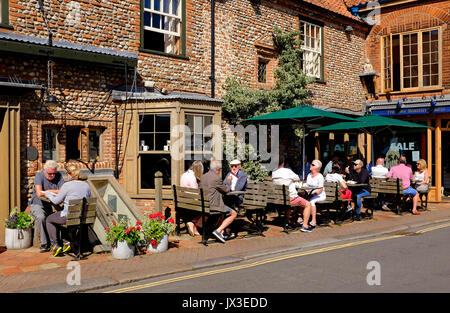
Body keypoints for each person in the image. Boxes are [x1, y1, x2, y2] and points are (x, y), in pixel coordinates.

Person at [44, 164, 91, 256]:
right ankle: (66, 242)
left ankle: (56, 246)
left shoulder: (67, 185)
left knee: (49, 219)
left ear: (69, 174)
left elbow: (56, 201)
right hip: (82, 217)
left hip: (69, 216)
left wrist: (48, 194)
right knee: (60, 219)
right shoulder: (86, 185)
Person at [29, 160, 65, 252]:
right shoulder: (39, 175)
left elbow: (63, 191)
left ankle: (59, 242)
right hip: (38, 203)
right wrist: (54, 192)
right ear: (44, 170)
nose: (52, 175)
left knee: (60, 216)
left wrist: (48, 192)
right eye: (49, 173)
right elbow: (39, 194)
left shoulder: (59, 175)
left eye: (54, 173)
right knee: (41, 217)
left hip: (52, 204)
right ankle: (44, 243)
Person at [272, 156, 313, 232]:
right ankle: (305, 225)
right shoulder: (288, 171)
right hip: (291, 198)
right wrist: (293, 180)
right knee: (308, 204)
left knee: (290, 204)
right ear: (283, 163)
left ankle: (287, 221)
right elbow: (297, 178)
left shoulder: (274, 172)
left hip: (279, 199)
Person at [200, 160, 237, 243]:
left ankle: (222, 232)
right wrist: (228, 180)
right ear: (218, 169)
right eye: (220, 169)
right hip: (214, 205)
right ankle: (218, 231)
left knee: (223, 212)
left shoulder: (204, 176)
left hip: (204, 205)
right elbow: (226, 190)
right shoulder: (216, 178)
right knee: (234, 213)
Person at [180, 161, 204, 237]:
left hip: (183, 201)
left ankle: (195, 228)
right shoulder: (193, 177)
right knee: (207, 208)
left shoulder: (184, 174)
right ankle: (192, 223)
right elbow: (195, 193)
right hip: (191, 202)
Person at [305, 160, 326, 227]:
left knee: (312, 201)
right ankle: (301, 218)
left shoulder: (320, 176)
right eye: (311, 164)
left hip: (319, 195)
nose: (310, 165)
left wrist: (312, 195)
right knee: (302, 199)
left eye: (313, 164)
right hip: (310, 194)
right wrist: (306, 191)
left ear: (317, 167)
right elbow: (307, 186)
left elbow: (320, 189)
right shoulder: (309, 175)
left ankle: (314, 220)